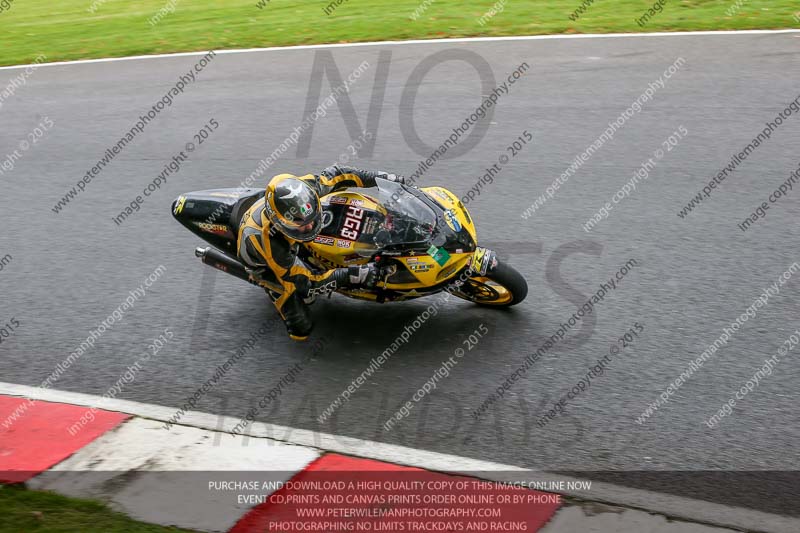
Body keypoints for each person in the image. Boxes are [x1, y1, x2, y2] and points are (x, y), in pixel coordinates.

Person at [237, 165, 405, 340]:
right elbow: (307, 284)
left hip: (290, 238)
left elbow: (340, 174)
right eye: (301, 223)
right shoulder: (271, 244)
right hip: (267, 265)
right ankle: (266, 284)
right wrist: (352, 275)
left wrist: (383, 178)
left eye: (310, 217)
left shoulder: (306, 190)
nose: (310, 225)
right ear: (280, 224)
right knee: (300, 329)